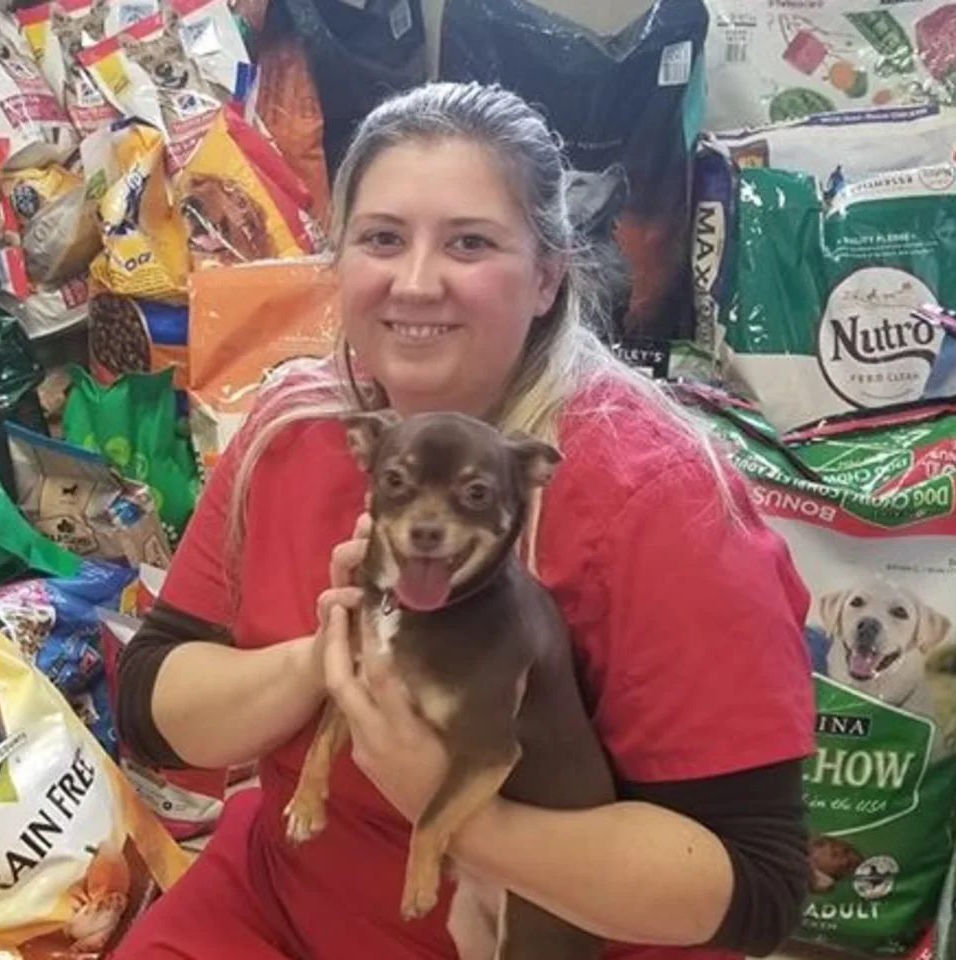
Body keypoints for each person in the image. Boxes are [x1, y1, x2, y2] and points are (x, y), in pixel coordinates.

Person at [112, 82, 815, 960]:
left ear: (548, 274)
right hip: (282, 900)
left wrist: (457, 815)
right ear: (338, 261)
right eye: (380, 239)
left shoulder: (656, 496)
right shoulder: (295, 424)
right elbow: (149, 706)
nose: (415, 282)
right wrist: (332, 661)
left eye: (470, 243)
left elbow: (754, 885)